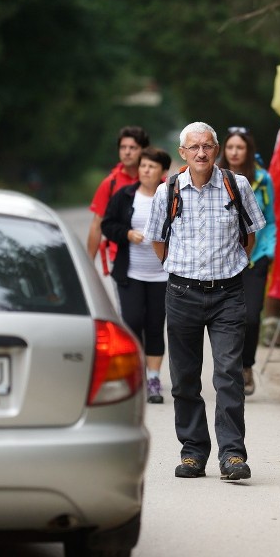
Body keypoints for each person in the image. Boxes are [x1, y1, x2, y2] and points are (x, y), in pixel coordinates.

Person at [143, 121, 266, 481]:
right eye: (193, 147)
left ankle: (232, 455)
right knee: (184, 378)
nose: (201, 153)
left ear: (216, 149)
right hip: (181, 293)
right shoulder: (168, 191)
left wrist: (231, 267)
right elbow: (157, 241)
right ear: (182, 153)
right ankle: (193, 452)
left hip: (228, 292)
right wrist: (177, 269)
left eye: (207, 146)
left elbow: (249, 237)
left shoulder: (236, 185)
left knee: (229, 374)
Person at [101, 147, 172, 404]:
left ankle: (153, 378)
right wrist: (127, 234)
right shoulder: (124, 196)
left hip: (162, 276)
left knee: (154, 326)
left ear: (163, 172)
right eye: (143, 166)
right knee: (131, 323)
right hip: (130, 273)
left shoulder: (171, 197)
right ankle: (133, 375)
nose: (146, 170)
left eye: (152, 167)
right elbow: (107, 225)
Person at [218, 127, 276, 396]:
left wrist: (268, 250)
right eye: (230, 147)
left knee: (251, 317)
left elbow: (272, 220)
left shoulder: (263, 180)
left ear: (248, 150)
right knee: (227, 317)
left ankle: (247, 365)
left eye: (240, 147)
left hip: (256, 258)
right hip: (223, 260)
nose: (234, 152)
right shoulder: (215, 178)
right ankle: (229, 370)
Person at [87, 126, 150, 273]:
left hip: (152, 258)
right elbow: (97, 225)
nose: (127, 152)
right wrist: (88, 265)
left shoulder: (157, 181)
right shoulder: (110, 183)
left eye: (133, 148)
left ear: (143, 150)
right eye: (123, 147)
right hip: (120, 258)